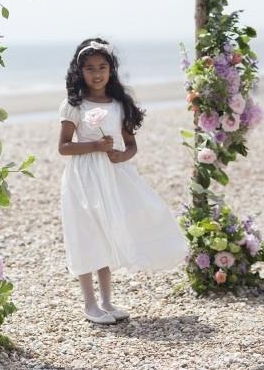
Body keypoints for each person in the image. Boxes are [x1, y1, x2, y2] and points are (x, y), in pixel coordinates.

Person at [58, 38, 187, 325]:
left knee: (108, 231)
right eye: (90, 68)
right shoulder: (73, 104)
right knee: (86, 232)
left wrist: (120, 156)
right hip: (84, 176)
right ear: (80, 72)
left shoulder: (119, 103)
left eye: (102, 67)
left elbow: (131, 145)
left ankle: (106, 301)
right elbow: (64, 147)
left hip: (113, 174)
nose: (96, 73)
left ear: (111, 69)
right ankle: (89, 304)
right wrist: (94, 147)